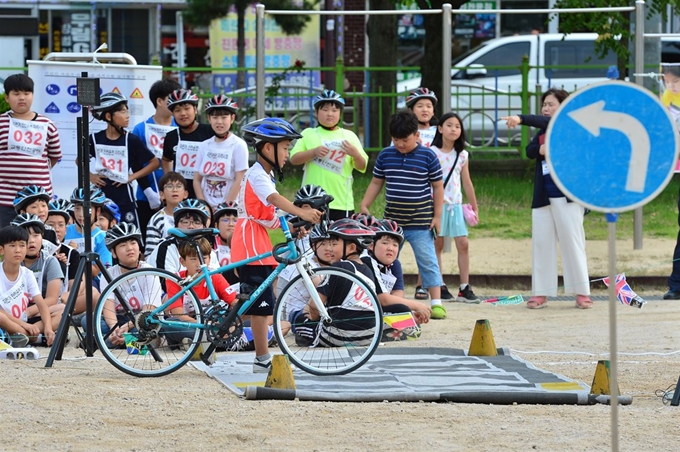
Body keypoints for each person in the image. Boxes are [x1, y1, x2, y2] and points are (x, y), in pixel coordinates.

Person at [232, 117, 322, 372]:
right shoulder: (258, 175)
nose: (288, 153)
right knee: (262, 302)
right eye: (285, 147)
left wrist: (294, 226)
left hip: (255, 237)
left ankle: (238, 337)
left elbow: (268, 217)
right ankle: (262, 359)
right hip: (249, 240)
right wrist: (300, 212)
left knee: (260, 298)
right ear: (267, 148)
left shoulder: (264, 175)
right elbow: (273, 199)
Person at [501, 88, 592, 309]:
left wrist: (520, 119)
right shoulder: (542, 131)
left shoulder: (571, 125)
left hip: (568, 197)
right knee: (542, 244)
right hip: (543, 196)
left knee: (573, 243)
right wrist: (541, 148)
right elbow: (530, 150)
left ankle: (582, 292)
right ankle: (541, 293)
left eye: (551, 104)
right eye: (544, 105)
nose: (545, 108)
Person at [360, 109, 446, 320]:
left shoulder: (428, 155)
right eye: (396, 140)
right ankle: (385, 298)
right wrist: (364, 204)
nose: (400, 144)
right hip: (391, 225)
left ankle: (436, 302)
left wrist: (437, 216)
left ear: (417, 135)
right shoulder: (385, 155)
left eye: (405, 140)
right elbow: (376, 182)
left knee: (428, 260)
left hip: (421, 222)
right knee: (385, 260)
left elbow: (438, 187)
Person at [289, 90, 368, 220]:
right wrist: (313, 152)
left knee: (339, 240)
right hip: (311, 201)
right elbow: (294, 159)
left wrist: (355, 155)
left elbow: (362, 166)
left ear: (340, 114)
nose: (330, 114)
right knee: (310, 239)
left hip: (341, 202)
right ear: (316, 112)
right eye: (325, 110)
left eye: (334, 110)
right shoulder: (308, 134)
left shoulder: (349, 136)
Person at [86, 92, 160, 228]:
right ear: (108, 116)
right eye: (122, 111)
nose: (128, 115)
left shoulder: (131, 139)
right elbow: (80, 161)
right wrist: (91, 176)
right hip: (100, 195)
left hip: (125, 196)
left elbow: (154, 163)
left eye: (128, 110)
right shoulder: (94, 139)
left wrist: (131, 177)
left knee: (130, 233)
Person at [85, 223, 162, 348]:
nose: (129, 248)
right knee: (88, 320)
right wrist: (115, 329)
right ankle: (126, 343)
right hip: (120, 320)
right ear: (113, 253)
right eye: (123, 245)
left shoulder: (149, 271)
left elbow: (149, 309)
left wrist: (125, 328)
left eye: (133, 243)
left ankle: (107, 342)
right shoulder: (108, 274)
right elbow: (108, 305)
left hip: (142, 321)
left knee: (145, 329)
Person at [430, 112, 480, 303]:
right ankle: (439, 284)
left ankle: (464, 287)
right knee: (438, 244)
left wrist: (474, 207)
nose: (454, 129)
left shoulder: (462, 155)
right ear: (440, 128)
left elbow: (467, 182)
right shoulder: (431, 152)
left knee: (463, 244)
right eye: (449, 125)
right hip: (437, 206)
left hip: (456, 205)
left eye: (457, 126)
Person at [0, 74, 62, 227]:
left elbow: (54, 157)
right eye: (16, 94)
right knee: (7, 244)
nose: (22, 98)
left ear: (33, 95)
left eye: (26, 93)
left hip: (37, 201)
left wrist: (34, 172)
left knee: (36, 243)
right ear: (7, 97)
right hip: (5, 200)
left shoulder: (47, 124)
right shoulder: (1, 122)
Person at [131, 78, 182, 242]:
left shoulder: (181, 128)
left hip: (178, 196)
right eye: (171, 100)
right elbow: (135, 163)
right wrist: (149, 192)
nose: (177, 105)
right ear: (159, 101)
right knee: (147, 242)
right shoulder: (141, 128)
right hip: (147, 197)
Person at [165, 238, 237, 347]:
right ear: (182, 261)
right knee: (170, 324)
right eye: (193, 259)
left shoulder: (216, 278)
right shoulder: (175, 280)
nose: (199, 264)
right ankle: (211, 341)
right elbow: (178, 314)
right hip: (191, 326)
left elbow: (235, 303)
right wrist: (207, 326)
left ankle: (198, 342)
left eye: (203, 258)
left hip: (215, 326)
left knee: (250, 324)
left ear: (209, 259)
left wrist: (231, 323)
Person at [0, 225, 61, 346]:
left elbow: (41, 305)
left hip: (23, 320)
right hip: (6, 321)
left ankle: (24, 336)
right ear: (1, 250)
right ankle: (34, 338)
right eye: (12, 246)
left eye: (22, 245)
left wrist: (48, 328)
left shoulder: (27, 274)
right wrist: (25, 325)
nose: (18, 250)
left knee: (61, 315)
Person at [11, 214, 67, 342]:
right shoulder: (12, 261)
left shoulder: (50, 261)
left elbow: (52, 299)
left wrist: (28, 312)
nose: (31, 240)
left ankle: (24, 336)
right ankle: (35, 337)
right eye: (26, 236)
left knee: (63, 310)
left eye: (36, 235)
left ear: (42, 237)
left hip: (39, 312)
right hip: (13, 312)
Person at [193, 95, 248, 209]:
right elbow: (197, 180)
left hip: (229, 208)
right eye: (215, 117)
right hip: (206, 208)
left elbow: (240, 180)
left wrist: (225, 207)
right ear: (209, 118)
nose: (219, 122)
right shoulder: (204, 146)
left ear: (232, 118)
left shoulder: (238, 145)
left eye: (224, 117)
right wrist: (204, 206)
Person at [46, 198, 97, 315]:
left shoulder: (71, 252)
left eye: (61, 225)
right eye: (51, 225)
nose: (56, 229)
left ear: (66, 229)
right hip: (41, 301)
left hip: (62, 301)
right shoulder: (38, 250)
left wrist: (68, 295)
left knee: (93, 293)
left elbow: (77, 284)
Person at [161, 89, 215, 198]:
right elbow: (166, 159)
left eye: (187, 109)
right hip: (181, 195)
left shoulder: (210, 132)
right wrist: (170, 179)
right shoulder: (171, 136)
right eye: (177, 110)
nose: (183, 114)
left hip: (207, 193)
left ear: (195, 109)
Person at [146, 198, 218, 274]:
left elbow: (216, 280)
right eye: (185, 222)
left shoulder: (209, 251)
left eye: (197, 222)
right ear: (176, 226)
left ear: (204, 227)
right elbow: (165, 283)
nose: (191, 226)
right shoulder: (165, 248)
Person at [63, 185, 113, 280]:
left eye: (86, 209)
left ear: (98, 211)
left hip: (93, 284)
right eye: (77, 208)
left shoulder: (102, 237)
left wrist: (75, 255)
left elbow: (95, 272)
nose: (81, 214)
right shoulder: (65, 231)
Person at [661, 64, 680, 299]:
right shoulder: (666, 101)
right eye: (667, 81)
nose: (671, 86)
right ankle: (676, 285)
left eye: (675, 81)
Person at [144, 171, 189, 260]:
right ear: (162, 195)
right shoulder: (157, 220)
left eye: (179, 186)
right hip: (165, 265)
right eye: (169, 186)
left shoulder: (193, 216)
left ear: (185, 194)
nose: (174, 190)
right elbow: (150, 254)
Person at [13, 185, 59, 254]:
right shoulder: (15, 233)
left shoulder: (51, 231)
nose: (41, 210)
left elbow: (55, 252)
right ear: (22, 212)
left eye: (43, 205)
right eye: (34, 207)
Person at [212, 201, 239, 284]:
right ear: (216, 225)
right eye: (225, 220)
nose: (231, 224)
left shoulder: (248, 246)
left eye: (235, 220)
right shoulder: (209, 245)